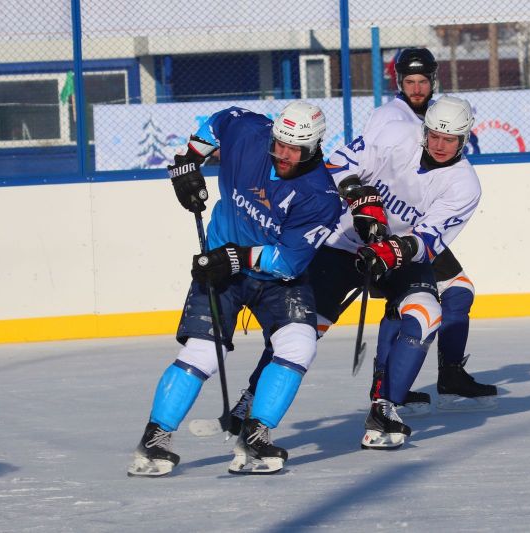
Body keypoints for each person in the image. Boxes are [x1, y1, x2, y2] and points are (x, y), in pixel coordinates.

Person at [228, 95, 483, 449]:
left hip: (400, 257)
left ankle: (385, 409)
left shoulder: (465, 186)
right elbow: (335, 164)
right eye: (434, 136)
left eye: (450, 139)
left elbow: (428, 240)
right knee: (300, 330)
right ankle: (251, 401)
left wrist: (391, 249)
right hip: (342, 241)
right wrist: (360, 195)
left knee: (426, 314)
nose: (439, 145)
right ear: (424, 130)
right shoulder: (396, 134)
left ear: (464, 138)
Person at [127, 101, 343, 476]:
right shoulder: (250, 134)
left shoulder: (320, 196)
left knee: (300, 343)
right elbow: (223, 118)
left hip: (275, 279)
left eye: (295, 150)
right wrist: (191, 158)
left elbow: (289, 262)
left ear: (314, 148)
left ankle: (256, 434)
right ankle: (155, 438)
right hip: (221, 264)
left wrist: (238, 255)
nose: (283, 155)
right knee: (205, 353)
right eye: (279, 145)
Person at [362, 48, 496, 416]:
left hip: (415, 231)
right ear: (399, 82)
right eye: (410, 82)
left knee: (458, 290)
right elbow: (366, 167)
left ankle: (447, 374)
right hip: (384, 228)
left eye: (423, 81)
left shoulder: (439, 114)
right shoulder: (390, 116)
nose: (417, 88)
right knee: (408, 302)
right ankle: (386, 386)